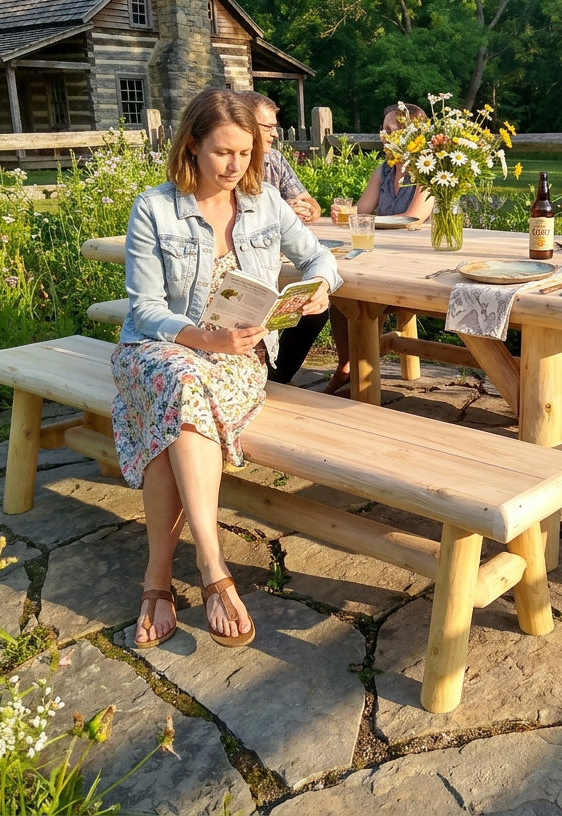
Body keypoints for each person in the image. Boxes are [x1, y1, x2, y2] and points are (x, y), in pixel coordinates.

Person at [112, 88, 341, 649]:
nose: (236, 166)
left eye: (245, 153)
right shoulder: (155, 207)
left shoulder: (265, 203)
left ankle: (158, 582)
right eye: (222, 153)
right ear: (192, 146)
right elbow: (143, 307)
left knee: (177, 417)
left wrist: (320, 293)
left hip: (238, 358)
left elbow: (320, 258)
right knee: (182, 382)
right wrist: (202, 336)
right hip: (159, 351)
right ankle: (214, 570)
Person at [324, 103, 435, 394]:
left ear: (411, 134)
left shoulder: (428, 171)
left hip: (418, 263)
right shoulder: (384, 171)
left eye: (389, 130)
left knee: (357, 289)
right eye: (383, 130)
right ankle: (347, 365)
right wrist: (343, 214)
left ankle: (360, 370)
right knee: (339, 285)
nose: (382, 136)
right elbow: (361, 211)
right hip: (381, 254)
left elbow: (412, 218)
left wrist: (364, 220)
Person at [234, 90, 330, 385]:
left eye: (276, 127)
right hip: (247, 277)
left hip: (277, 258)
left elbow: (309, 203)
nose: (274, 134)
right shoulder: (158, 205)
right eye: (268, 127)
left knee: (316, 306)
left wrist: (303, 209)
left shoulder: (274, 161)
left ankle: (274, 380)